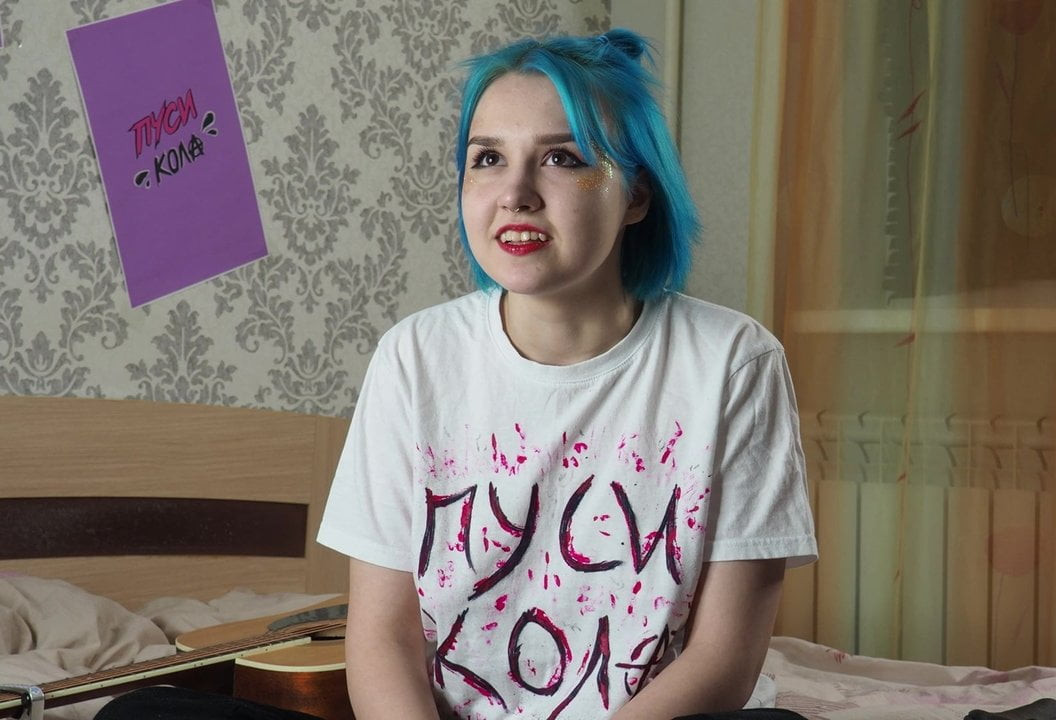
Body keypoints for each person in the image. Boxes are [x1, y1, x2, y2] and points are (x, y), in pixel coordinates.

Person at [98, 28, 816, 720]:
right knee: (143, 713)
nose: (516, 193)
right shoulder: (415, 358)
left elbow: (723, 658)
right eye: (488, 158)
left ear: (636, 195)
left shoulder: (733, 362)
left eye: (562, 157)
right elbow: (383, 638)